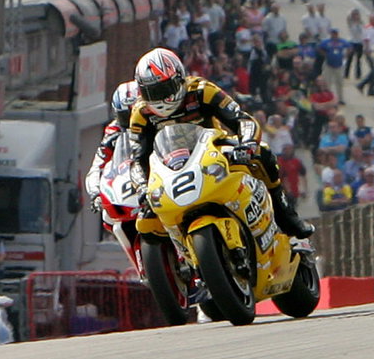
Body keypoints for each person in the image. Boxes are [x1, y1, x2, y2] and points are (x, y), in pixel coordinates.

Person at [126, 48, 313, 238]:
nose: (158, 97)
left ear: (179, 78)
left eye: (163, 89)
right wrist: (141, 187)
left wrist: (247, 144)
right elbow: (136, 158)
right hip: (169, 167)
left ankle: (286, 216)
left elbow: (242, 119)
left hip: (212, 151)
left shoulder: (202, 90)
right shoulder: (140, 113)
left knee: (263, 153)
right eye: (151, 92)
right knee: (146, 219)